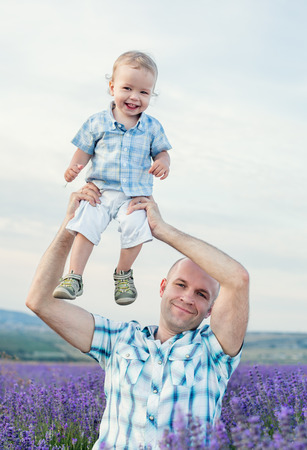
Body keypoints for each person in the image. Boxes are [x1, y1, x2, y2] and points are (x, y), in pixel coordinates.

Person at [26, 184, 249, 449]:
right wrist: (70, 226)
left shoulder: (214, 352)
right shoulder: (119, 339)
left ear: (211, 309)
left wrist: (162, 230)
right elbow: (39, 301)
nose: (188, 297)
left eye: (201, 294)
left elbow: (237, 279)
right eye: (181, 285)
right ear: (163, 287)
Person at [53, 50, 171, 305]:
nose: (134, 97)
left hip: (134, 196)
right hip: (100, 190)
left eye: (143, 92)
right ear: (112, 87)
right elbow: (83, 151)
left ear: (151, 94)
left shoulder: (152, 127)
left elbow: (161, 151)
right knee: (85, 222)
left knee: (137, 227)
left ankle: (123, 274)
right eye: (127, 88)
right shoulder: (97, 122)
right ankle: (74, 276)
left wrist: (162, 162)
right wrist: (74, 168)